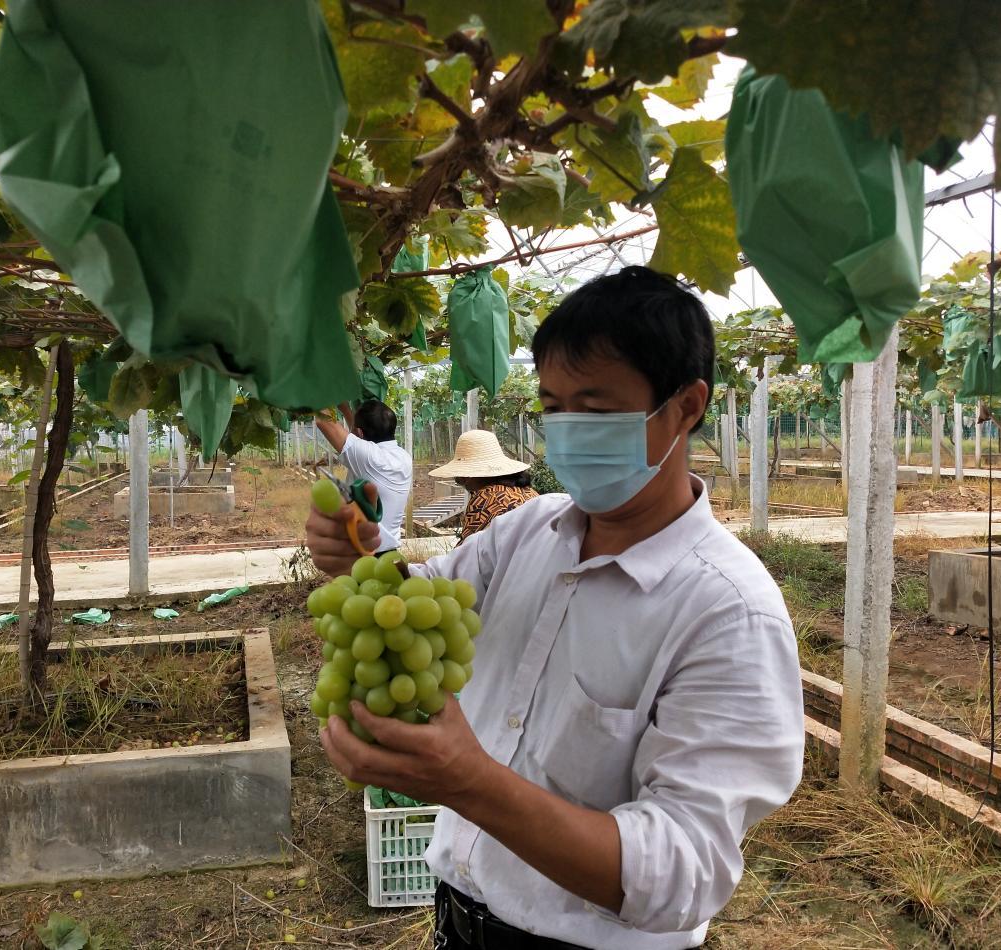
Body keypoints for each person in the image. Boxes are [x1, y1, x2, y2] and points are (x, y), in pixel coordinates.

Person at [306, 267, 804, 950]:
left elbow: (685, 872)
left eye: (596, 413)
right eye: (552, 407)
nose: (567, 432)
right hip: (457, 918)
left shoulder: (727, 612)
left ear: (686, 407)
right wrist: (357, 554)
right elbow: (409, 599)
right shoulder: (522, 533)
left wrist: (470, 783)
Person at [315, 398, 413, 554]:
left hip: (364, 554)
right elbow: (356, 438)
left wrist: (326, 389)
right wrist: (346, 409)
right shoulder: (404, 457)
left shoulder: (369, 457)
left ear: (360, 432)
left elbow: (323, 421)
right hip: (389, 552)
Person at [429, 429, 538, 544]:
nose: (465, 486)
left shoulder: (486, 497)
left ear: (472, 476)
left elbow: (467, 553)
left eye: (461, 479)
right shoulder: (529, 492)